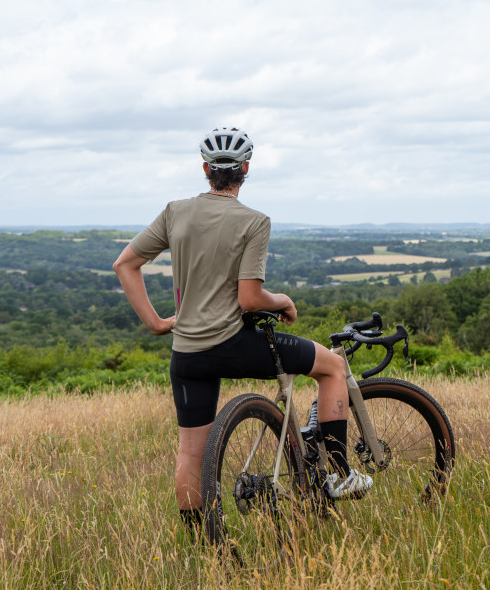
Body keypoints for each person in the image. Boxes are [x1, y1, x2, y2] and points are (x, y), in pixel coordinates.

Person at [113, 127, 372, 533]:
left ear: (205, 170)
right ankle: (339, 474)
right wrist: (283, 299)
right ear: (246, 169)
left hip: (187, 353)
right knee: (333, 367)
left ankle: (203, 544)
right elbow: (250, 299)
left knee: (191, 454)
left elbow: (124, 264)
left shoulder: (174, 211)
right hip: (231, 343)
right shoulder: (254, 221)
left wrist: (157, 324)